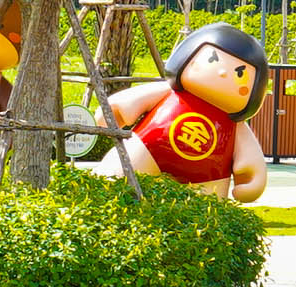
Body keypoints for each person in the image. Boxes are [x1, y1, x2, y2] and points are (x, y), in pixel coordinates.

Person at [106, 22, 272, 202]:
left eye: (240, 74)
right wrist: (116, 111)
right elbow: (126, 105)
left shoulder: (234, 126)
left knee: (206, 211)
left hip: (208, 175)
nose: (223, 72)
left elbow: (251, 162)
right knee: (116, 183)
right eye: (212, 59)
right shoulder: (169, 93)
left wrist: (252, 180)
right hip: (147, 148)